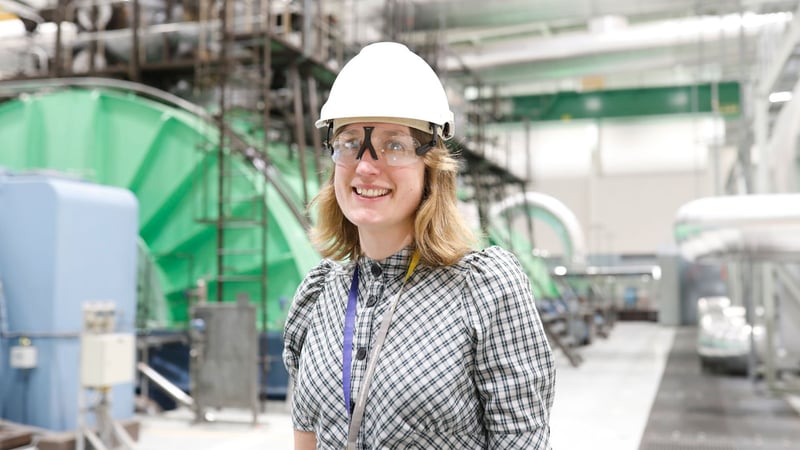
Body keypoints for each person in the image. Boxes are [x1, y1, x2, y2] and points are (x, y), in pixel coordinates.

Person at [283, 41, 555, 449]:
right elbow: (306, 437)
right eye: (350, 142)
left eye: (394, 145)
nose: (366, 165)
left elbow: (523, 441)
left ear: (432, 165)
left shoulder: (483, 288)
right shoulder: (318, 294)